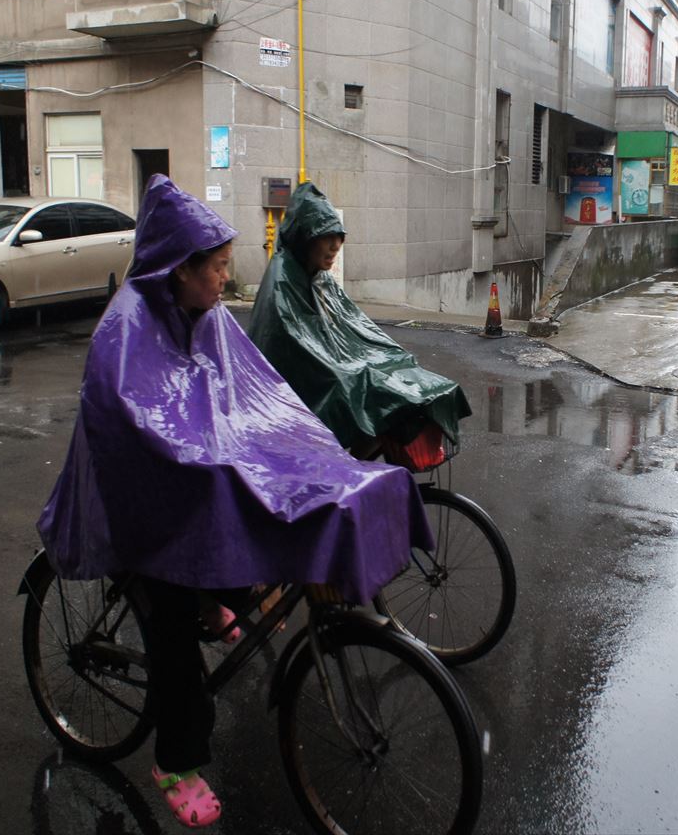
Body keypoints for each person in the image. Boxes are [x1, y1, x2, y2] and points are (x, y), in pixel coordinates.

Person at [37, 175, 431, 828]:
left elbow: (261, 394)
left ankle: (216, 595)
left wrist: (309, 447)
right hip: (142, 499)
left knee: (266, 515)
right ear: (177, 268)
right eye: (216, 268)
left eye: (226, 266)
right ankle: (176, 759)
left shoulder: (211, 317)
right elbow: (135, 422)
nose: (226, 279)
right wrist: (211, 456)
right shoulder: (126, 327)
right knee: (173, 632)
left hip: (196, 474)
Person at [249, 181, 471, 464]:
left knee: (398, 379)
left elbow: (354, 325)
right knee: (371, 395)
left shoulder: (317, 277)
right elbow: (296, 345)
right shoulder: (282, 279)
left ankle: (354, 469)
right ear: (305, 236)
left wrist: (390, 356)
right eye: (325, 236)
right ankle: (350, 470)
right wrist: (353, 370)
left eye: (338, 237)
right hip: (287, 392)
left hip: (328, 367)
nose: (335, 246)